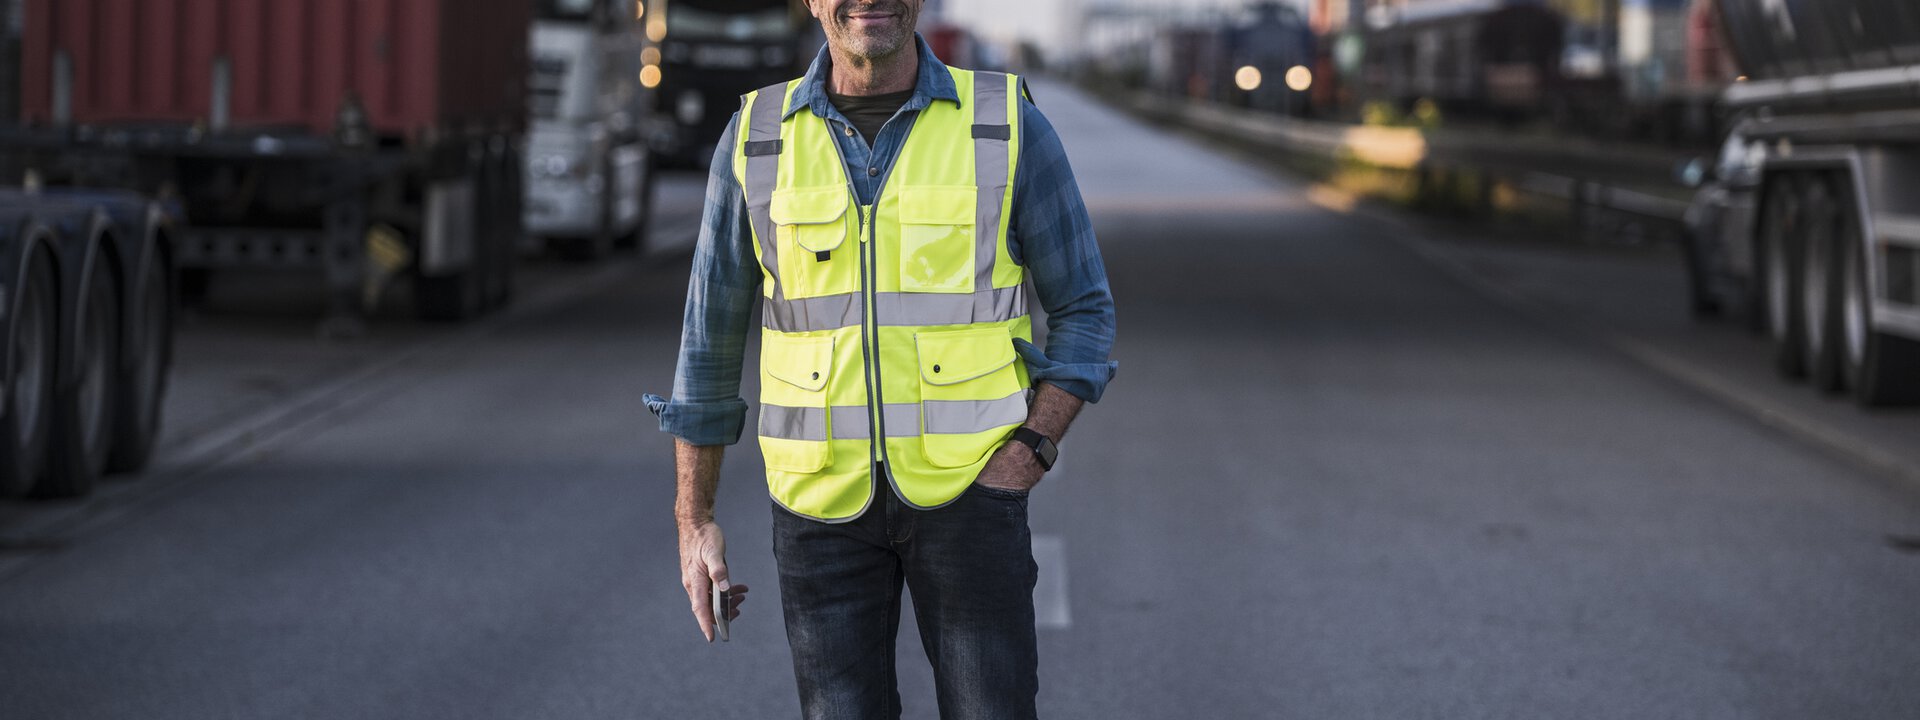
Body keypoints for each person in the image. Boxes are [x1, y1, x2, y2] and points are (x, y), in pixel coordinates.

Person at [644, 0, 1117, 716]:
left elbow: (1085, 309)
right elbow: (708, 342)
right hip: (819, 510)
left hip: (970, 498)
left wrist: (1030, 451)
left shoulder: (1006, 123)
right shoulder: (757, 137)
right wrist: (694, 521)